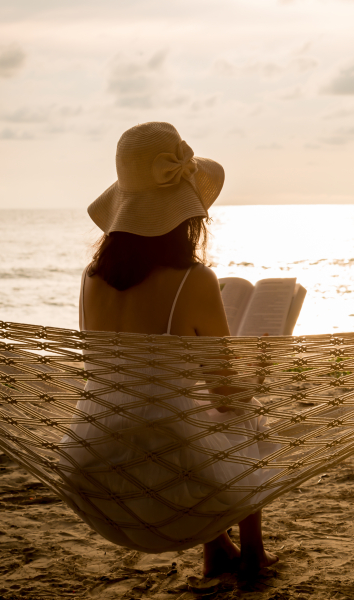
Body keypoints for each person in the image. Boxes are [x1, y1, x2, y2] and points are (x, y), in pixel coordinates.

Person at [77, 121, 277, 575]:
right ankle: (253, 556)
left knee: (179, 417)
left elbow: (103, 370)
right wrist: (260, 368)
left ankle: (216, 548)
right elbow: (227, 393)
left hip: (93, 460)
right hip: (168, 469)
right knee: (245, 415)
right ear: (186, 211)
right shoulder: (194, 281)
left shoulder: (90, 279)